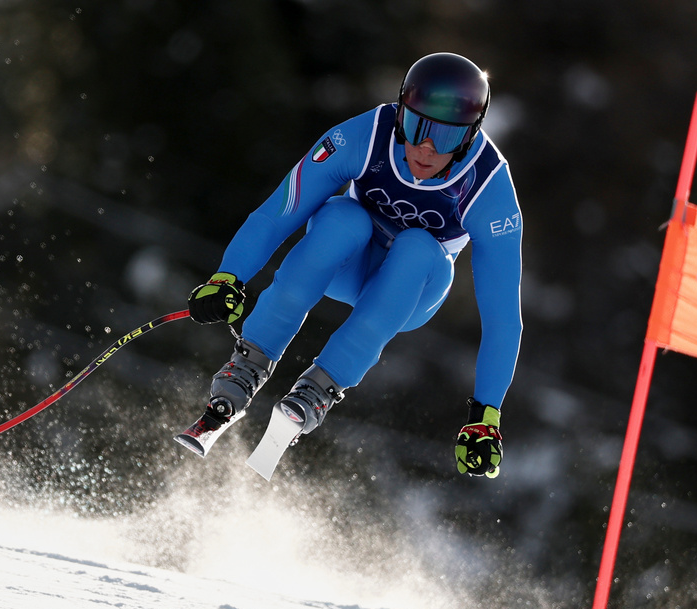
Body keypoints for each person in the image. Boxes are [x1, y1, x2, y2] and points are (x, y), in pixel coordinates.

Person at [181, 52, 522, 479]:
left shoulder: (489, 185)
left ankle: (321, 386)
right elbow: (280, 211)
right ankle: (249, 361)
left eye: (447, 137)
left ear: (471, 136)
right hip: (346, 266)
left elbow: (504, 318)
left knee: (418, 246)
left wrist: (485, 415)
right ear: (400, 113)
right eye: (417, 126)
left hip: (412, 292)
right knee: (342, 216)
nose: (426, 148)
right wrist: (227, 278)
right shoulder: (365, 134)